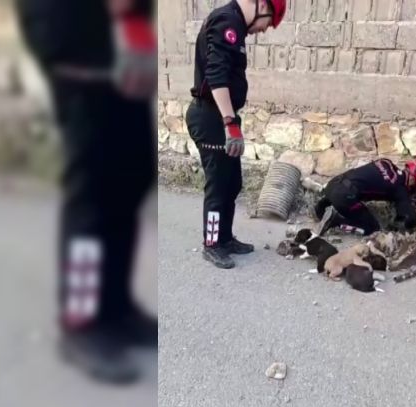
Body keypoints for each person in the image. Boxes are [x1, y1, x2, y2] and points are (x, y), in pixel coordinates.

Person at [16, 0, 157, 383]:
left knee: (131, 174)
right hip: (76, 30)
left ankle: (113, 306)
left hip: (119, 36)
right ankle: (80, 321)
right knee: (94, 186)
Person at [186, 0, 287, 269]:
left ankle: (225, 238)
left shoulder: (236, 25)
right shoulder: (227, 21)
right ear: (262, 4)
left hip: (223, 117)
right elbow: (216, 75)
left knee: (232, 182)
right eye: (269, 22)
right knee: (219, 185)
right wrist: (230, 123)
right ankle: (212, 244)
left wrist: (231, 121)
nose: (265, 30)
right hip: (211, 117)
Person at [314, 158, 416, 236]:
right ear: (414, 181)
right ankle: (335, 221)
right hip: (344, 196)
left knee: (353, 189)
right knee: (372, 228)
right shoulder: (400, 189)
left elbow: (373, 177)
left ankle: (321, 206)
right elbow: (411, 219)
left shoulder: (385, 162)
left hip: (332, 184)